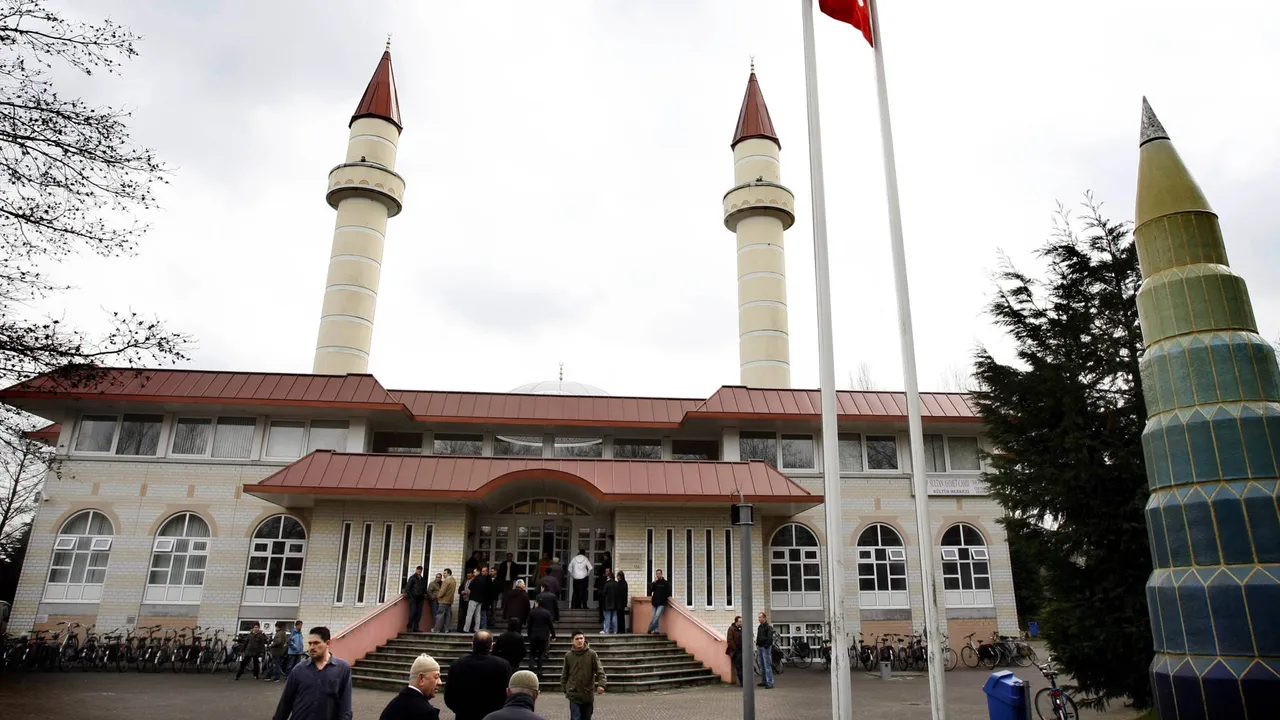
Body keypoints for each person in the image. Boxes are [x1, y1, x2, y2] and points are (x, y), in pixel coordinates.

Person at [272, 626, 353, 720]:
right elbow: (285, 702)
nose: (311, 647)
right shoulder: (299, 669)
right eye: (310, 643)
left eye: (316, 643)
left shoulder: (342, 668)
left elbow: (345, 704)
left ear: (328, 643)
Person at [444, 631, 513, 720]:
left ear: (472, 645)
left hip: (465, 715)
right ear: (491, 646)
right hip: (494, 715)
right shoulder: (503, 665)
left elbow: (449, 694)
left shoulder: (458, 664)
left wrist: (459, 710)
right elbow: (509, 691)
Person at [379, 653, 442, 720]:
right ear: (421, 679)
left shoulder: (393, 705)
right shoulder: (426, 713)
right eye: (436, 677)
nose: (440, 682)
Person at [561, 631, 606, 720]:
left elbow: (600, 670)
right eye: (577, 639)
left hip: (587, 694)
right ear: (572, 641)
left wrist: (601, 684)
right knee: (575, 717)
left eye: (581, 638)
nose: (579, 641)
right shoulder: (568, 656)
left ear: (584, 639)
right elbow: (564, 673)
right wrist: (565, 688)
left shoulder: (592, 654)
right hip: (574, 694)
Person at [525, 599, 555, 680]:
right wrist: (553, 635)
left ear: (537, 604)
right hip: (543, 636)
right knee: (541, 654)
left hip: (534, 635)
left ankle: (531, 669)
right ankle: (539, 671)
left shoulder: (532, 612)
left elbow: (529, 625)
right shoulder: (547, 613)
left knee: (532, 653)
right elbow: (550, 625)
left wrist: (529, 635)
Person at [467, 567, 492, 632]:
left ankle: (466, 629)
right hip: (480, 600)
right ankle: (476, 629)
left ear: (478, 572)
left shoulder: (475, 579)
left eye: (474, 572)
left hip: (473, 598)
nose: (473, 573)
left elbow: (470, 587)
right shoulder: (484, 579)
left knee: (469, 614)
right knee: (478, 615)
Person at [646, 569, 671, 634]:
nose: (658, 575)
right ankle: (657, 630)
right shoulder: (655, 583)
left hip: (662, 603)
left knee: (657, 616)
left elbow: (668, 593)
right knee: (654, 617)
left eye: (659, 573)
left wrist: (665, 599)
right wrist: (654, 583)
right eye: (657, 574)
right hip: (654, 603)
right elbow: (650, 591)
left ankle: (650, 628)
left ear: (661, 574)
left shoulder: (665, 583)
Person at [755, 612, 775, 690]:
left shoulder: (768, 627)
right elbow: (758, 636)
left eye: (760, 617)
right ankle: (764, 681)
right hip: (760, 647)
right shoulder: (760, 627)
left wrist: (766, 645)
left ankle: (769, 682)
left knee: (767, 665)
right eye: (758, 617)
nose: (759, 619)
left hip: (765, 648)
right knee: (761, 665)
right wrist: (757, 643)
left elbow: (770, 637)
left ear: (764, 618)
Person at [434, 568, 457, 633]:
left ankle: (437, 629)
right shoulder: (454, 581)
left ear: (449, 573)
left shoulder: (446, 581)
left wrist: (438, 596)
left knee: (440, 615)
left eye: (445, 573)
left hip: (443, 600)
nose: (443, 575)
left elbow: (442, 591)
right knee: (448, 616)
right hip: (449, 600)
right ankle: (446, 629)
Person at [406, 565, 428, 632]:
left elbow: (424, 589)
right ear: (416, 570)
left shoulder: (422, 579)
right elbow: (408, 588)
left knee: (418, 614)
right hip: (414, 598)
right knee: (412, 612)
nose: (419, 571)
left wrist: (424, 595)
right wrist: (411, 597)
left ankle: (416, 628)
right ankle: (409, 627)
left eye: (420, 570)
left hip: (420, 598)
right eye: (418, 569)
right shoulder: (412, 578)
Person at [726, 616, 743, 685]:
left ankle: (744, 681)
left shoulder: (742, 629)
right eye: (740, 621)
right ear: (736, 622)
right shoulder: (731, 629)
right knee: (739, 667)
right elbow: (729, 640)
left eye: (742, 621)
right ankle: (742, 682)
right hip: (736, 651)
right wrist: (735, 649)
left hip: (742, 650)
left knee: (743, 666)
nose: (741, 623)